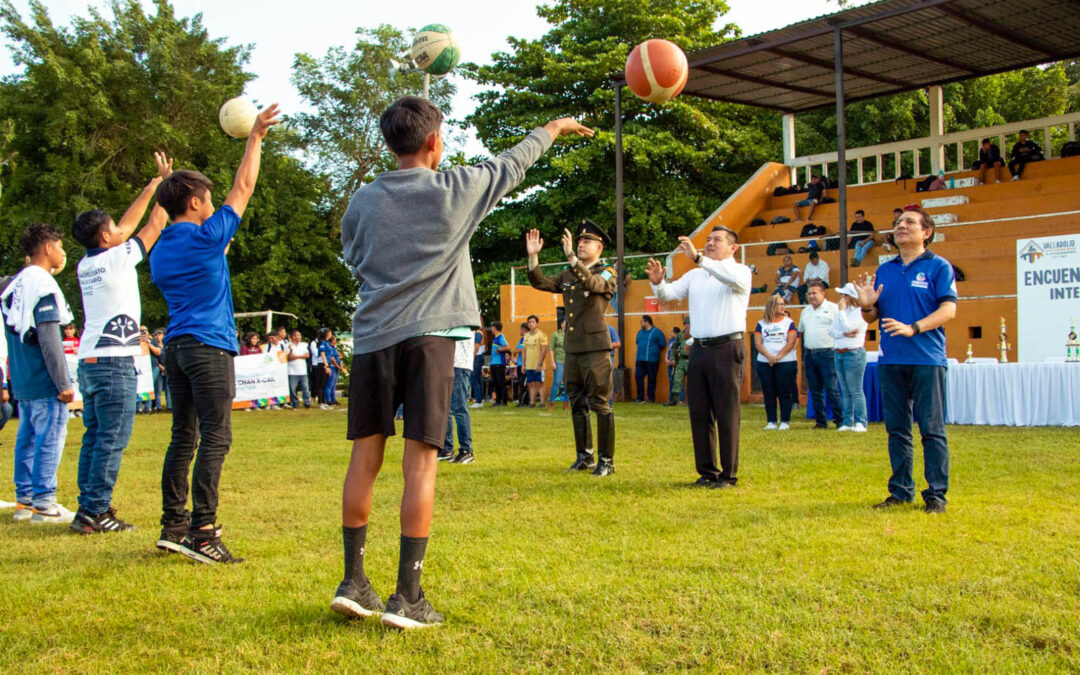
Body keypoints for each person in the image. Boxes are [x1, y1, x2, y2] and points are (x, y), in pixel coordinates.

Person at [333, 94, 592, 629]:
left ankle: (353, 582)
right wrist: (552, 126)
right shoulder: (456, 188)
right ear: (433, 142)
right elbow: (513, 163)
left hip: (373, 337)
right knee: (421, 461)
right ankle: (408, 597)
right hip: (431, 335)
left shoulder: (361, 201)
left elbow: (353, 255)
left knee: (365, 456)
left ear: (391, 142)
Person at [149, 102, 281, 564]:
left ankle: (173, 525)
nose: (212, 203)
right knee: (216, 437)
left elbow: (177, 225)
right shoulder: (206, 239)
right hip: (208, 347)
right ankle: (203, 532)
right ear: (193, 204)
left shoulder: (161, 251)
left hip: (177, 348)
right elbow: (243, 187)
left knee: (182, 436)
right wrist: (255, 138)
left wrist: (163, 183)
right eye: (206, 198)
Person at [69, 152, 171, 534]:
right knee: (111, 440)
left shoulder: (87, 263)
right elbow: (152, 225)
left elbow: (127, 225)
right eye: (113, 227)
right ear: (105, 237)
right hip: (115, 364)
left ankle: (87, 508)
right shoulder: (117, 259)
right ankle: (96, 512)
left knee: (94, 437)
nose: (120, 228)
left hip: (91, 360)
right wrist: (166, 184)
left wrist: (151, 186)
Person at [854, 206, 956, 513]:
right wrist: (867, 306)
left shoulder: (939, 266)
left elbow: (949, 310)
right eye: (898, 222)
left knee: (931, 429)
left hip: (927, 359)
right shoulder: (884, 270)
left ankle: (936, 494)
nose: (901, 226)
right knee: (896, 429)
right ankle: (900, 490)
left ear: (926, 233)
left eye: (909, 222)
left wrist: (915, 328)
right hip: (891, 361)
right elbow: (872, 317)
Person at [647, 226, 750, 487]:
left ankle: (728, 475)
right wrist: (658, 282)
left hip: (728, 347)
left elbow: (727, 278)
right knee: (700, 413)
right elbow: (668, 296)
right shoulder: (695, 275)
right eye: (708, 240)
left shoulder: (740, 271)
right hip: (701, 349)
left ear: (733, 248)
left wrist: (699, 258)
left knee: (726, 414)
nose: (710, 243)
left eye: (717, 240)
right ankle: (707, 472)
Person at [525, 220, 617, 476]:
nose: (581, 244)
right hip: (573, 348)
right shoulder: (568, 273)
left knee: (600, 403)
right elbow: (540, 282)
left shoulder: (607, 270)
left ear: (599, 246)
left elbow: (595, 285)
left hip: (596, 348)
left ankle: (606, 461)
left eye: (586, 241)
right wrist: (533, 257)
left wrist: (573, 259)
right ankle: (584, 457)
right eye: (579, 241)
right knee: (577, 402)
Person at [1, 224, 76, 523]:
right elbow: (48, 337)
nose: (62, 253)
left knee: (28, 436)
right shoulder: (42, 285)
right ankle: (44, 504)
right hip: (43, 377)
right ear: (47, 248)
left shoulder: (17, 283)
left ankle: (25, 500)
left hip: (22, 375)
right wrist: (63, 381)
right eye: (59, 246)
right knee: (50, 437)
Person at [798, 280, 842, 430]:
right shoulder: (805, 311)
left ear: (823, 294)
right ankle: (821, 421)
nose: (811, 296)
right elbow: (802, 330)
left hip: (827, 353)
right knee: (815, 390)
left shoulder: (833, 308)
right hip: (810, 353)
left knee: (831, 389)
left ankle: (839, 420)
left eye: (814, 293)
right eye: (809, 293)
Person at [754, 294, 798, 431]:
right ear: (771, 306)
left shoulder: (789, 323)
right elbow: (758, 343)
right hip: (764, 362)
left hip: (785, 361)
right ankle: (771, 421)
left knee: (784, 391)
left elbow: (791, 342)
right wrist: (769, 356)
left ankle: (785, 420)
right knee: (768, 391)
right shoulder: (761, 323)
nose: (782, 306)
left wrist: (778, 357)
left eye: (783, 304)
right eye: (779, 304)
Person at [829, 283, 868, 432]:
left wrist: (841, 313)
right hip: (839, 352)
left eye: (845, 295)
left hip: (853, 353)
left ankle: (861, 422)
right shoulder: (844, 312)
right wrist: (843, 333)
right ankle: (847, 421)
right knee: (845, 390)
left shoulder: (859, 312)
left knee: (855, 390)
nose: (842, 298)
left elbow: (847, 327)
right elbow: (832, 330)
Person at [441, 337, 474, 464]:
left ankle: (467, 450)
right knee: (446, 408)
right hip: (450, 364)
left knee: (459, 408)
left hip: (460, 365)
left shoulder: (465, 319)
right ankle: (447, 449)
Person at [633, 315, 666, 403]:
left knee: (651, 379)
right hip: (640, 359)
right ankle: (640, 398)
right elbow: (637, 343)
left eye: (642, 321)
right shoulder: (640, 332)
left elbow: (662, 344)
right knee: (638, 377)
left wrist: (653, 351)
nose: (641, 323)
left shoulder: (657, 332)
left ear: (647, 322)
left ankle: (651, 399)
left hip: (652, 360)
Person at [522, 315, 548, 407]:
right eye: (529, 322)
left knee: (540, 383)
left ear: (537, 323)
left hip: (539, 365)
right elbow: (524, 351)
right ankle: (532, 402)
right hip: (529, 365)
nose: (530, 324)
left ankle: (542, 403)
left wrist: (540, 363)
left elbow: (544, 350)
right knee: (531, 384)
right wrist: (523, 364)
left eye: (533, 322)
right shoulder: (526, 336)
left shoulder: (542, 335)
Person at [665, 318, 691, 406]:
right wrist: (672, 357)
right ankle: (673, 401)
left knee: (693, 382)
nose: (686, 325)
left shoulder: (696, 334)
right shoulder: (680, 334)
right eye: (685, 324)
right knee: (677, 380)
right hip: (682, 360)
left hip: (692, 360)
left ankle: (692, 401)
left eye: (687, 323)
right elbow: (674, 346)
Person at [287, 329, 311, 409]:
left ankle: (307, 402)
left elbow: (307, 355)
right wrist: (291, 351)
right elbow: (289, 357)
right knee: (292, 388)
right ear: (293, 337)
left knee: (305, 388)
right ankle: (295, 403)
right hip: (292, 371)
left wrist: (297, 356)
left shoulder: (303, 345)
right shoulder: (288, 345)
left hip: (302, 370)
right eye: (298, 335)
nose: (300, 337)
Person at [547, 317, 568, 409]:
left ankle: (566, 403)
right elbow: (551, 348)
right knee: (557, 382)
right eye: (565, 323)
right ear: (561, 324)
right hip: (558, 361)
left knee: (569, 383)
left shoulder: (572, 335)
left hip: (570, 362)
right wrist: (552, 362)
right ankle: (551, 402)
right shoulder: (555, 334)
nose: (567, 325)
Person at [489, 321, 510, 406]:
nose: (491, 329)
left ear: (495, 328)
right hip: (494, 363)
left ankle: (504, 401)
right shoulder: (495, 338)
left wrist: (499, 350)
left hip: (499, 363)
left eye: (492, 327)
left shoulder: (500, 337)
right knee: (496, 382)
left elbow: (508, 347)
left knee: (501, 382)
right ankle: (498, 400)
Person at [320, 334, 343, 406]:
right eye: (334, 340)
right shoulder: (330, 348)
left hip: (336, 368)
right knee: (329, 384)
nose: (335, 341)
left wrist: (341, 365)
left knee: (333, 385)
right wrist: (338, 366)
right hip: (333, 367)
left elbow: (339, 357)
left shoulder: (334, 348)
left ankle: (333, 399)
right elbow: (332, 359)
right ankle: (328, 399)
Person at [150, 328, 167, 411]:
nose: (157, 337)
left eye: (159, 334)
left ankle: (170, 407)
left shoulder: (167, 344)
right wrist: (161, 367)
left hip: (167, 368)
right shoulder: (153, 345)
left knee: (169, 389)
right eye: (155, 335)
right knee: (158, 388)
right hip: (158, 368)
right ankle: (157, 406)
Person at [470, 327, 485, 406]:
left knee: (474, 379)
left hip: (477, 357)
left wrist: (472, 357)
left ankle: (478, 400)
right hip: (478, 357)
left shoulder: (478, 333)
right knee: (478, 379)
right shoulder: (477, 333)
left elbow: (476, 346)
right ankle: (480, 399)